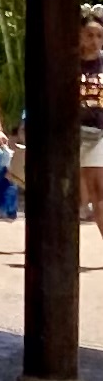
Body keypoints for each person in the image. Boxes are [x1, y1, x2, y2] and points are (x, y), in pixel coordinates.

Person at [80, 14, 103, 250]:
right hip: (70, 134)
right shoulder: (69, 64)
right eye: (89, 35)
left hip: (99, 133)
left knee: (99, 190)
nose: (94, 40)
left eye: (99, 36)